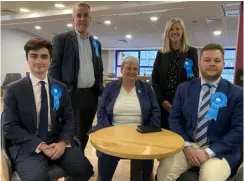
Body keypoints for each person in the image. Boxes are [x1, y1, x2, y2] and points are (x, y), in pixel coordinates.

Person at [2, 38, 94, 181]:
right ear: (27, 58)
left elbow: (69, 118)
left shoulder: (60, 87)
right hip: (28, 145)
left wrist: (63, 142)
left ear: (50, 60)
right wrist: (40, 145)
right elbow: (9, 127)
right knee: (37, 178)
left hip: (56, 140)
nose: (39, 61)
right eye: (34, 56)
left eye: (44, 56)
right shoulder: (13, 90)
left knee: (85, 169)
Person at [156, 43, 243, 181]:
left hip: (221, 151)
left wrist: (209, 152)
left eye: (217, 60)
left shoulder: (238, 93)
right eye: (207, 60)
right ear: (199, 63)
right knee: (163, 174)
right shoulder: (183, 89)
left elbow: (239, 129)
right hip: (188, 146)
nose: (212, 64)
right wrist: (186, 146)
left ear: (223, 64)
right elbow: (174, 119)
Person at [93, 56, 161, 181]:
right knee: (106, 157)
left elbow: (155, 110)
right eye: (128, 68)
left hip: (141, 134)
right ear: (121, 70)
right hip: (113, 132)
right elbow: (101, 110)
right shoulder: (110, 87)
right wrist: (107, 132)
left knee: (146, 159)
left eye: (135, 69)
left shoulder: (145, 88)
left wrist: (150, 130)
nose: (132, 71)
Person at [48, 2, 104, 152]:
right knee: (70, 135)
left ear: (90, 19)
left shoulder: (96, 43)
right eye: (78, 15)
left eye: (85, 15)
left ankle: (79, 162)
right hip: (71, 96)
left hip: (91, 97)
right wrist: (57, 99)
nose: (82, 19)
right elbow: (53, 71)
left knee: (85, 134)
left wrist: (100, 89)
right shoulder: (62, 39)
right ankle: (72, 172)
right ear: (73, 19)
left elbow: (99, 68)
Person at [151, 18, 199, 129]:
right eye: (171, 29)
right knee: (164, 135)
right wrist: (162, 101)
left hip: (183, 101)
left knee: (181, 134)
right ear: (167, 33)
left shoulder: (191, 52)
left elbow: (194, 80)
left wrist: (184, 102)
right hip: (163, 102)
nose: (174, 32)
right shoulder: (161, 53)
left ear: (183, 31)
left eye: (177, 28)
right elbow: (155, 80)